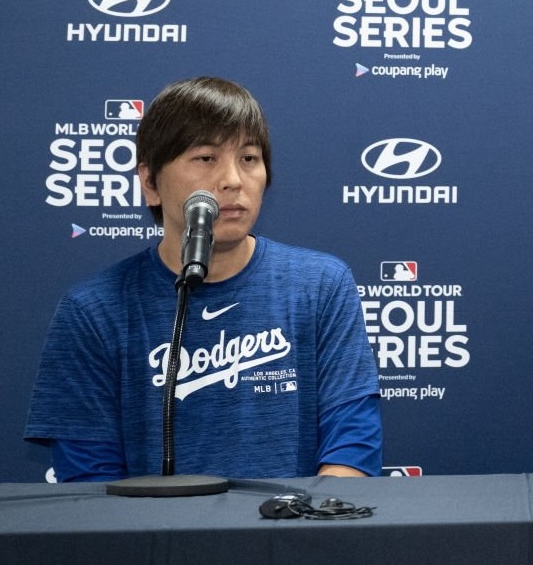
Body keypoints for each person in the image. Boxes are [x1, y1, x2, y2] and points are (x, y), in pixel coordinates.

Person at [24, 77, 383, 481]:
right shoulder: (92, 310)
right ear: (150, 183)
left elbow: (352, 448)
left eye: (249, 158)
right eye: (206, 158)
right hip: (150, 542)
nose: (232, 180)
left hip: (293, 536)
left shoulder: (322, 285)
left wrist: (301, 533)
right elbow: (90, 483)